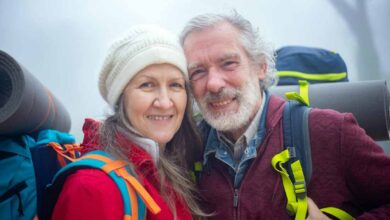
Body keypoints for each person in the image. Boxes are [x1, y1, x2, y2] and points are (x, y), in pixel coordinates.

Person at [180, 11, 390, 219]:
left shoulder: (331, 132)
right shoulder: (185, 153)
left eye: (228, 63)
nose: (214, 84)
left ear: (260, 66)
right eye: (198, 71)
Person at [52, 25, 205, 220]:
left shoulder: (168, 170)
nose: (165, 102)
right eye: (147, 85)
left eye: (175, 85)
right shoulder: (93, 187)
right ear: (120, 98)